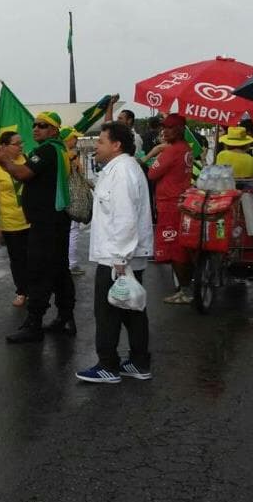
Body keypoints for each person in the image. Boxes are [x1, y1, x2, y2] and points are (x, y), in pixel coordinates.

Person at [76, 123, 154, 384]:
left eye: (100, 142)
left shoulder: (122, 172)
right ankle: (139, 361)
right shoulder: (121, 169)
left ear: (116, 145)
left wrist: (120, 260)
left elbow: (124, 218)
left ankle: (108, 364)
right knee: (132, 308)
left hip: (118, 257)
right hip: (123, 255)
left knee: (107, 311)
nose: (95, 146)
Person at [0, 111, 74, 343]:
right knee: (59, 270)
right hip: (56, 219)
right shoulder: (59, 149)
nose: (36, 129)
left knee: (38, 271)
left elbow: (23, 173)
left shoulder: (47, 150)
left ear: (54, 130)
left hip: (46, 222)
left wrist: (4, 161)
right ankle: (65, 318)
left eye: (43, 126)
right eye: (35, 125)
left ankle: (34, 323)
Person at [147, 113, 194, 304]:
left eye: (169, 127)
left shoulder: (172, 151)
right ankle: (186, 287)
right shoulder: (186, 148)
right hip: (182, 201)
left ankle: (185, 290)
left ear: (180, 129)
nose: (164, 131)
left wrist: (158, 152)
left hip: (170, 205)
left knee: (174, 249)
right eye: (163, 127)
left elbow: (151, 173)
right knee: (181, 246)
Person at [0, 131, 29, 307]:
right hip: (11, 222)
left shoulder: (25, 160)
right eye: (16, 144)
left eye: (21, 143)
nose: (20, 146)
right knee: (18, 260)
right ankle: (22, 291)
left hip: (31, 220)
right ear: (3, 146)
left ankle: (33, 289)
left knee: (33, 258)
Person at [61, 126, 86, 276]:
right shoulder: (70, 156)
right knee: (73, 230)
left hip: (64, 197)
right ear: (67, 139)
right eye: (74, 137)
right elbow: (78, 174)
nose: (76, 140)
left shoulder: (61, 154)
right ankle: (72, 263)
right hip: (71, 197)